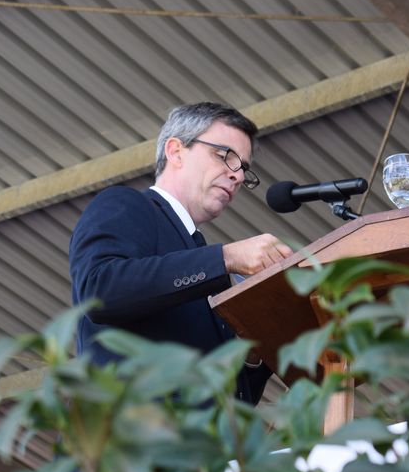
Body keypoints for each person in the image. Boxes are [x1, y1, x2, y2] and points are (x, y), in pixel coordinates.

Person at [69, 102, 293, 404]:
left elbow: (236, 401)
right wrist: (225, 258)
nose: (238, 176)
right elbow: (99, 290)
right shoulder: (125, 204)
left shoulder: (203, 263)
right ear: (175, 151)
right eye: (225, 156)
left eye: (243, 168)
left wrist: (254, 345)